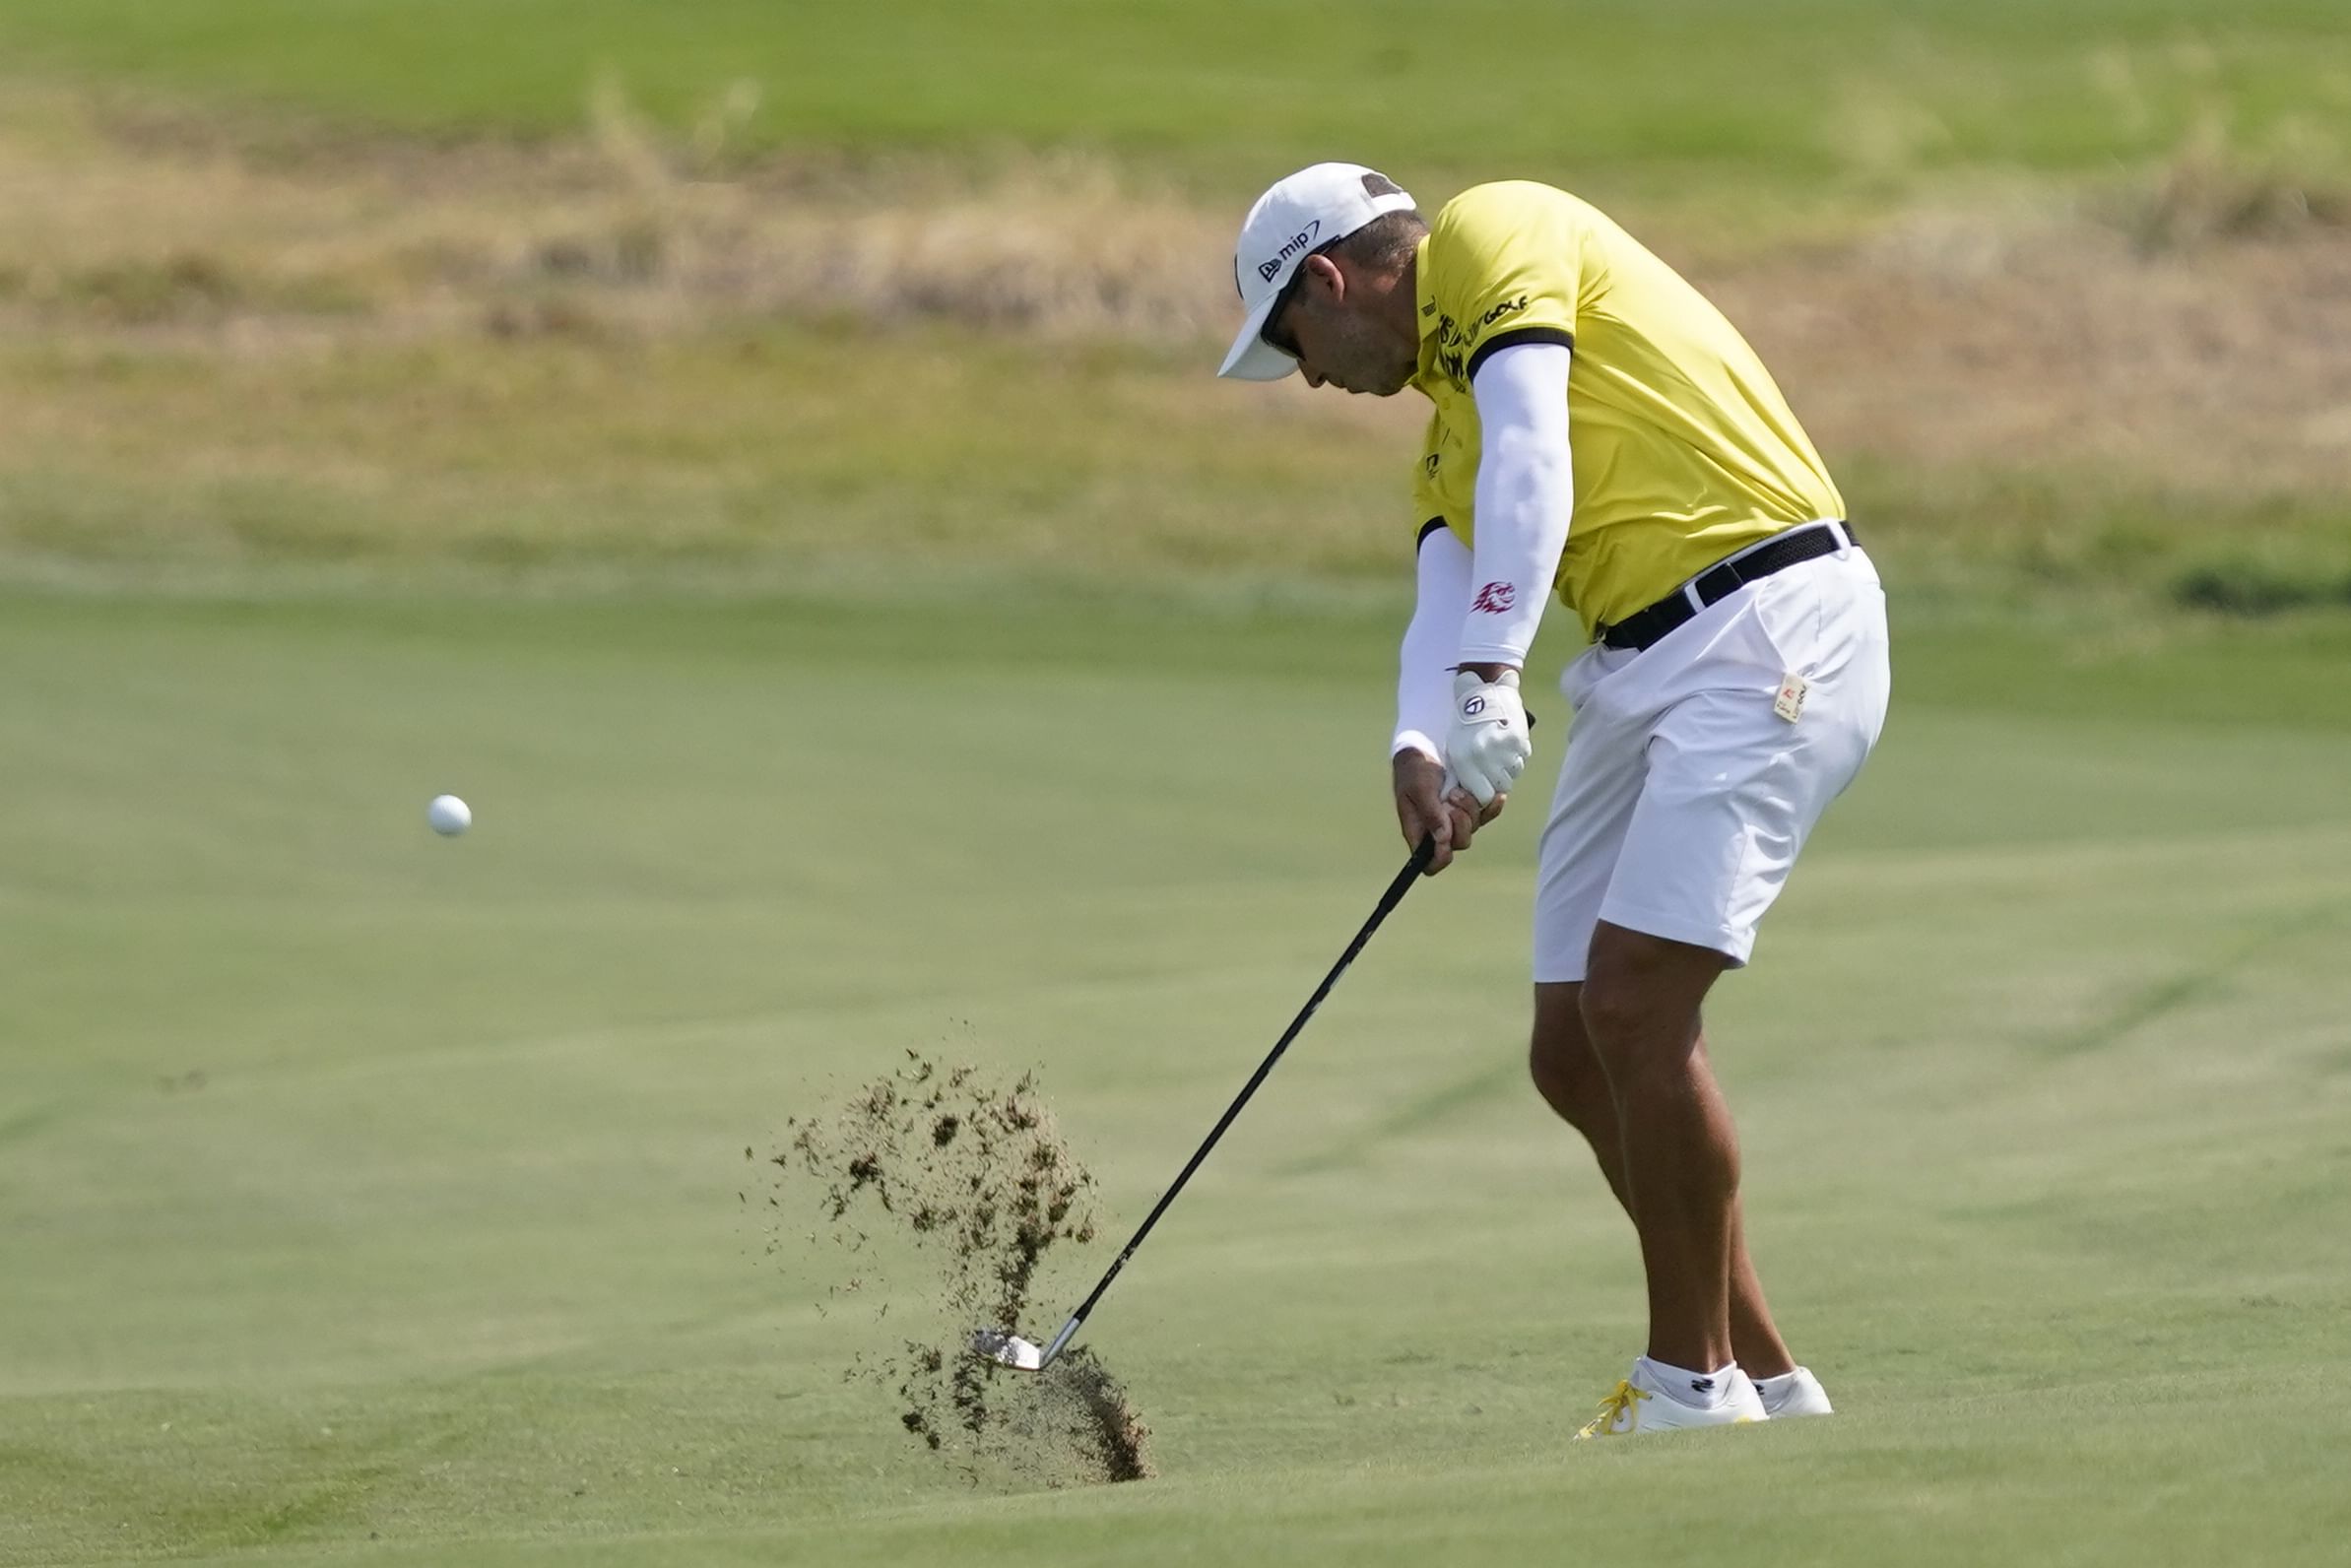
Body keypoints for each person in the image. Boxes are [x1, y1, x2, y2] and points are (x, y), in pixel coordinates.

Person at [1217, 163, 1890, 1437]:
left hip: (1767, 622)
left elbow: (1539, 450)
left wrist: (1491, 679)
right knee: (1575, 1044)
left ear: (1330, 279)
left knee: (1636, 998)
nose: (1307, 376)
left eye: (1294, 342)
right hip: (1640, 667)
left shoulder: (1496, 228)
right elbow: (1447, 589)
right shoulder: (1440, 437)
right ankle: (1765, 1375)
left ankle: (1687, 1384)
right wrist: (1423, 745)